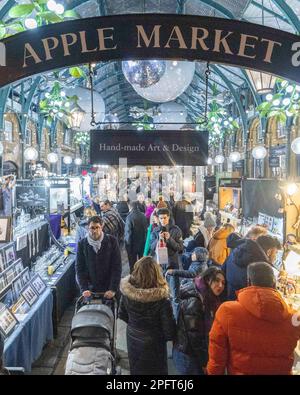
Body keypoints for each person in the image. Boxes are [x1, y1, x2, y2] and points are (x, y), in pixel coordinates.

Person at [207, 262, 300, 375]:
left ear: (248, 282)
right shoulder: (293, 318)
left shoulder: (227, 311)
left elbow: (216, 359)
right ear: (274, 283)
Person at [118, 257, 176, 375]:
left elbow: (122, 315)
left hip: (133, 339)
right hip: (154, 345)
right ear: (156, 273)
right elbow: (169, 332)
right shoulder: (162, 300)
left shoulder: (127, 293)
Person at [173, 267, 226, 375]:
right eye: (216, 280)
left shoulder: (210, 298)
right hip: (189, 356)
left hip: (195, 353)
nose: (220, 285)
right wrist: (204, 361)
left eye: (223, 282)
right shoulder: (195, 300)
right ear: (207, 280)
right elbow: (194, 336)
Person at [75, 216, 122, 300]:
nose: (95, 231)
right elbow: (79, 268)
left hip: (109, 287)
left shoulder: (112, 241)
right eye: (92, 228)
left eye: (97, 227)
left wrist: (113, 289)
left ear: (102, 226)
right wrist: (84, 288)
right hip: (90, 290)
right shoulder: (82, 244)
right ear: (88, 228)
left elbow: (117, 267)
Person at [223, 234, 281, 300]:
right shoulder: (258, 266)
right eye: (276, 253)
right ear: (269, 252)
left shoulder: (238, 249)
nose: (275, 257)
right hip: (243, 302)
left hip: (229, 296)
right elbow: (266, 294)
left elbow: (223, 269)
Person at [125, 201, 148, 273]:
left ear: (130, 207)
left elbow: (128, 233)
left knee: (133, 264)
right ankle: (142, 275)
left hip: (132, 244)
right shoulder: (143, 215)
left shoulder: (129, 217)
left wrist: (127, 245)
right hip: (143, 243)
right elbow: (146, 230)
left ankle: (134, 276)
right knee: (143, 262)